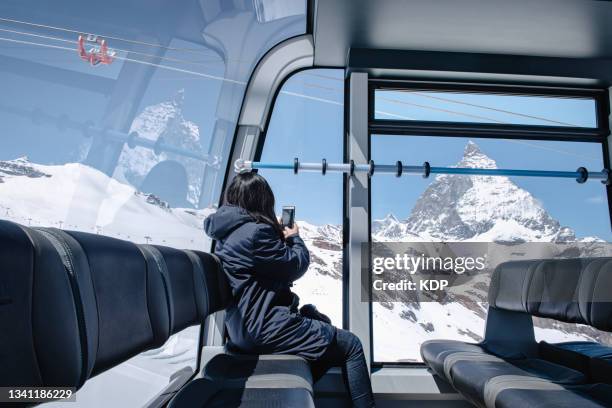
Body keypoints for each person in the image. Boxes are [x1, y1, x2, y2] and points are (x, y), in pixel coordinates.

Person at [204, 171, 375, 408]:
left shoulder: (226, 233)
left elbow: (262, 268)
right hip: (265, 328)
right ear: (262, 200)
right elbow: (295, 265)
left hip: (242, 330)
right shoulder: (256, 233)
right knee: (351, 344)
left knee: (318, 324)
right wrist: (295, 238)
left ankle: (289, 393)